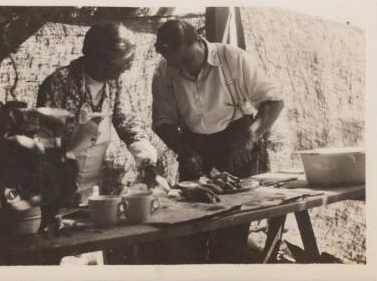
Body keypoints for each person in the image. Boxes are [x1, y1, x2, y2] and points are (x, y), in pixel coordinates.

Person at [151, 19, 284, 263]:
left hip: (235, 143)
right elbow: (163, 121)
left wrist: (250, 136)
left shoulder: (233, 59)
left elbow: (273, 102)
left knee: (231, 233)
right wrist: (185, 150)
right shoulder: (165, 71)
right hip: (193, 148)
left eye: (186, 60)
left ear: (198, 43)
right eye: (175, 63)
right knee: (190, 228)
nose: (182, 69)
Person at [36, 23, 159, 264]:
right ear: (101, 59)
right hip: (55, 191)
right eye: (124, 61)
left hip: (91, 191)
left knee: (90, 255)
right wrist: (61, 178)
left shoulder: (114, 84)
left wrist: (146, 162)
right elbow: (45, 143)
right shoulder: (58, 83)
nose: (129, 66)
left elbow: (128, 123)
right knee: (61, 257)